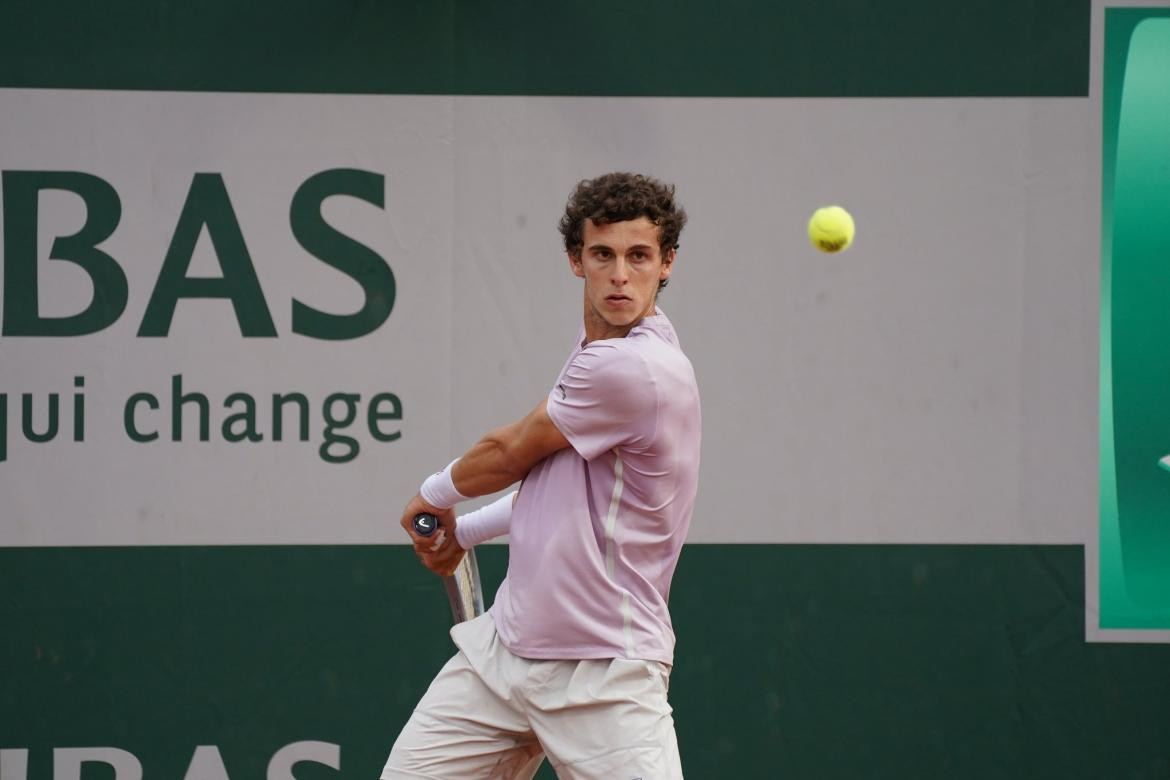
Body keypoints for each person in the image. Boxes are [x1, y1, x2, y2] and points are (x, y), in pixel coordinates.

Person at [383, 172, 701, 780]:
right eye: (602, 254)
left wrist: (434, 495)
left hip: (603, 672)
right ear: (575, 260)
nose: (619, 274)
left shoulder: (635, 368)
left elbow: (509, 454)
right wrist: (466, 533)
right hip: (505, 657)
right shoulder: (599, 354)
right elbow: (560, 490)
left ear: (667, 265)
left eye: (639, 257)